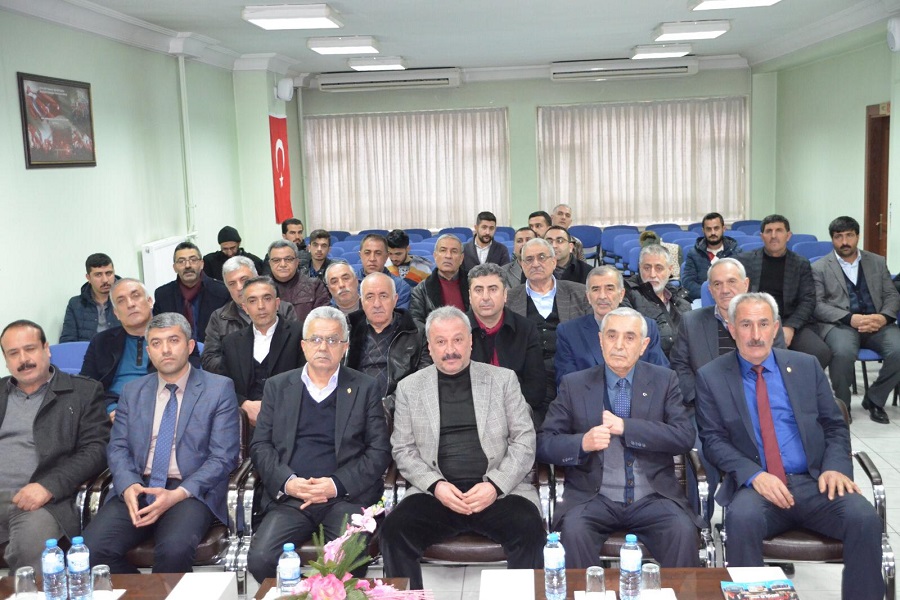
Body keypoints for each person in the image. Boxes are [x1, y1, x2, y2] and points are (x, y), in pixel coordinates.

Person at [695, 293, 885, 600]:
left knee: (864, 518)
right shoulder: (711, 377)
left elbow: (834, 425)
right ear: (731, 328)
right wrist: (755, 475)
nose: (755, 335)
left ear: (775, 328)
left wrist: (835, 467)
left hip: (816, 483)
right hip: (757, 487)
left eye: (763, 324)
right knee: (741, 519)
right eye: (746, 324)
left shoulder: (806, 366)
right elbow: (713, 440)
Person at [381, 306, 545, 589]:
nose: (450, 350)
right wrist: (436, 486)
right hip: (436, 494)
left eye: (457, 340)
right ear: (429, 347)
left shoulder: (503, 380)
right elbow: (403, 450)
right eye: (441, 342)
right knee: (394, 532)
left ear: (470, 341)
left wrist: (495, 485)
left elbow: (524, 440)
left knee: (529, 530)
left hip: (499, 492)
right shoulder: (409, 388)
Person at [538, 307, 702, 568]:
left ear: (643, 345)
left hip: (653, 497)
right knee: (574, 532)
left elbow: (684, 436)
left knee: (682, 531)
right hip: (593, 498)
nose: (619, 345)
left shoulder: (664, 380)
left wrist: (627, 428)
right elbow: (545, 443)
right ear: (600, 340)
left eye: (629, 337)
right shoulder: (574, 384)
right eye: (611, 336)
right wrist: (582, 443)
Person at [83, 313, 240, 573]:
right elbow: (118, 447)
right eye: (156, 343)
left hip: (189, 491)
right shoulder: (132, 391)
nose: (165, 349)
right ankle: (145, 591)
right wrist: (128, 484)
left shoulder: (218, 389)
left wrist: (178, 494)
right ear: (149, 352)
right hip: (139, 486)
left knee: (174, 550)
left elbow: (223, 457)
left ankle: (162, 590)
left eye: (173, 340)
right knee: (91, 551)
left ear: (190, 346)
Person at [247, 306, 391, 583]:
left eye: (332, 340)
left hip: (345, 498)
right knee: (261, 558)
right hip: (292, 498)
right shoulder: (278, 387)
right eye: (316, 339)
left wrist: (334, 484)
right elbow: (261, 445)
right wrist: (289, 483)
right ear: (303, 345)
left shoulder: (365, 387)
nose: (323, 347)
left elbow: (378, 452)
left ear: (345, 347)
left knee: (349, 559)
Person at [669, 258, 784, 521]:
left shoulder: (765, 321)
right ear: (709, 289)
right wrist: (704, 399)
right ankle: (698, 525)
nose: (724, 289)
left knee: (772, 445)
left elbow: (777, 368)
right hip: (704, 411)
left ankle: (762, 519)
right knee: (699, 451)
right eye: (717, 284)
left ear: (745, 284)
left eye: (731, 282)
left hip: (757, 407)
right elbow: (679, 367)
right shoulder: (691, 322)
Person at [0, 320, 110, 572]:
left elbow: (96, 450)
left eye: (30, 349)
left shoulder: (82, 392)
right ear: (6, 360)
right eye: (13, 353)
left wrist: (48, 486)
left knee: (31, 548)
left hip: (43, 501)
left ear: (46, 349)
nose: (23, 359)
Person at [812, 215, 900, 424]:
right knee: (842, 352)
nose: (844, 242)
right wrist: (850, 318)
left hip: (877, 324)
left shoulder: (877, 262)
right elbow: (817, 305)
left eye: (849, 235)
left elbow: (891, 294)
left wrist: (883, 317)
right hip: (841, 325)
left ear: (857, 236)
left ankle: (875, 400)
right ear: (832, 239)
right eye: (838, 237)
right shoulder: (819, 267)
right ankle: (843, 406)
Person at [82, 279, 198, 418]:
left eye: (135, 296)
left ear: (149, 301)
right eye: (121, 301)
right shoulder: (101, 341)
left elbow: (191, 381)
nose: (130, 304)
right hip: (114, 412)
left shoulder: (176, 335)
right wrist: (110, 409)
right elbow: (85, 386)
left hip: (163, 409)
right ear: (116, 313)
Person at [736, 216, 831, 368]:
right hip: (756, 321)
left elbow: (808, 300)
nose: (773, 235)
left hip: (790, 320)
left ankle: (797, 383)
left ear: (788, 235)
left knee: (819, 352)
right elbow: (738, 297)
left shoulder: (800, 264)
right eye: (769, 231)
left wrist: (790, 327)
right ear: (762, 236)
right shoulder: (745, 261)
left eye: (779, 230)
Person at [507, 238, 591, 410]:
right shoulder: (509, 299)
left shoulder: (579, 293)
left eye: (541, 257)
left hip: (572, 370)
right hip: (528, 375)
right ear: (522, 265)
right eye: (529, 259)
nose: (535, 264)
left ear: (553, 262)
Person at [556, 266, 669, 387]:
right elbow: (567, 384)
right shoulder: (569, 332)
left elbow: (660, 375)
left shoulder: (646, 327)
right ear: (588, 297)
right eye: (595, 289)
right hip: (589, 397)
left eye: (609, 289)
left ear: (621, 294)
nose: (602, 296)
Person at [466, 263, 546, 424]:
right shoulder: (456, 330)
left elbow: (536, 388)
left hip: (516, 412)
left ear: (504, 295)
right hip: (470, 416)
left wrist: (505, 411)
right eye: (478, 290)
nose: (485, 297)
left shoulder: (526, 329)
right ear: (469, 296)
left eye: (493, 289)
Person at [221, 276, 304, 426]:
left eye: (267, 298)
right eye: (252, 301)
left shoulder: (300, 334)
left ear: (277, 303)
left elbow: (307, 380)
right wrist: (244, 404)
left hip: (291, 420)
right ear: (245, 308)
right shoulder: (231, 342)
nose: (261, 306)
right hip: (246, 423)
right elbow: (224, 385)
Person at [201, 256, 297, 375]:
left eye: (244, 280)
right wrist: (242, 364)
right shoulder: (219, 317)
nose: (239, 287)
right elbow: (209, 360)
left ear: (256, 278)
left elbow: (294, 350)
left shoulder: (283, 309)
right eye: (232, 283)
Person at [346, 272, 427, 411]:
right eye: (370, 297)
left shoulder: (417, 332)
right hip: (354, 408)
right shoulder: (347, 330)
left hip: (401, 411)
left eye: (383, 296)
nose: (377, 304)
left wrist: (386, 407)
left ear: (395, 300)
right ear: (361, 302)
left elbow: (423, 379)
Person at [153, 242, 230, 343]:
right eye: (181, 261)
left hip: (214, 349)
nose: (187, 265)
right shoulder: (163, 295)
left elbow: (229, 332)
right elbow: (158, 331)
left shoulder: (221, 292)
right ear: (174, 267)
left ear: (201, 264)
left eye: (193, 260)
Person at [624, 244, 691, 356]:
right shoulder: (627, 294)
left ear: (670, 270)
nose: (652, 274)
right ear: (639, 268)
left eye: (659, 268)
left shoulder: (680, 299)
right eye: (647, 268)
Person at [409, 234, 469, 327]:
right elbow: (416, 322)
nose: (448, 256)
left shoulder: (473, 283)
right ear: (435, 256)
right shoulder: (421, 290)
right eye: (443, 250)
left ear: (461, 258)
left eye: (454, 251)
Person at [267, 240, 331, 325]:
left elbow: (324, 320)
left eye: (288, 259)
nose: (283, 264)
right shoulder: (261, 289)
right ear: (270, 263)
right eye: (276, 260)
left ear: (297, 262)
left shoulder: (315, 286)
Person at [61, 253, 121, 342]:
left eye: (109, 273)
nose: (105, 280)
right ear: (88, 277)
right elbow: (68, 340)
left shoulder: (126, 299)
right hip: (88, 350)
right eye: (98, 275)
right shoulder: (75, 304)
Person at [682, 212, 740, 301]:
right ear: (703, 231)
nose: (713, 233)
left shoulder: (736, 252)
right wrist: (711, 293)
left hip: (730, 298)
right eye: (709, 229)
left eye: (716, 228)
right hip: (702, 298)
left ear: (723, 229)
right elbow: (688, 282)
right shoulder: (694, 253)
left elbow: (741, 280)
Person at [355, 234, 412, 310]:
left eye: (378, 253)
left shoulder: (400, 287)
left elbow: (400, 316)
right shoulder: (350, 284)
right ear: (360, 255)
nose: (372, 259)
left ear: (386, 256)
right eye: (367, 253)